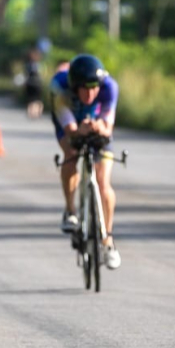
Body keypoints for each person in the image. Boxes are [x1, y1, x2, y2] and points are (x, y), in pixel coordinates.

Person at [50, 54, 121, 270]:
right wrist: (77, 130)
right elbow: (69, 129)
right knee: (71, 154)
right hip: (70, 122)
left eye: (94, 87)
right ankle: (71, 210)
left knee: (103, 181)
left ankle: (107, 240)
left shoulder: (109, 86)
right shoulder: (59, 86)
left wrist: (100, 127)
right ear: (74, 86)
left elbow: (108, 127)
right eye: (85, 88)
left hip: (96, 126)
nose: (90, 93)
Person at [22, 46, 45, 119]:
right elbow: (42, 74)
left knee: (31, 99)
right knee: (38, 100)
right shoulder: (39, 65)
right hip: (37, 83)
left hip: (29, 83)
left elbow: (25, 75)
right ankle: (37, 113)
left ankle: (30, 112)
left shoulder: (27, 65)